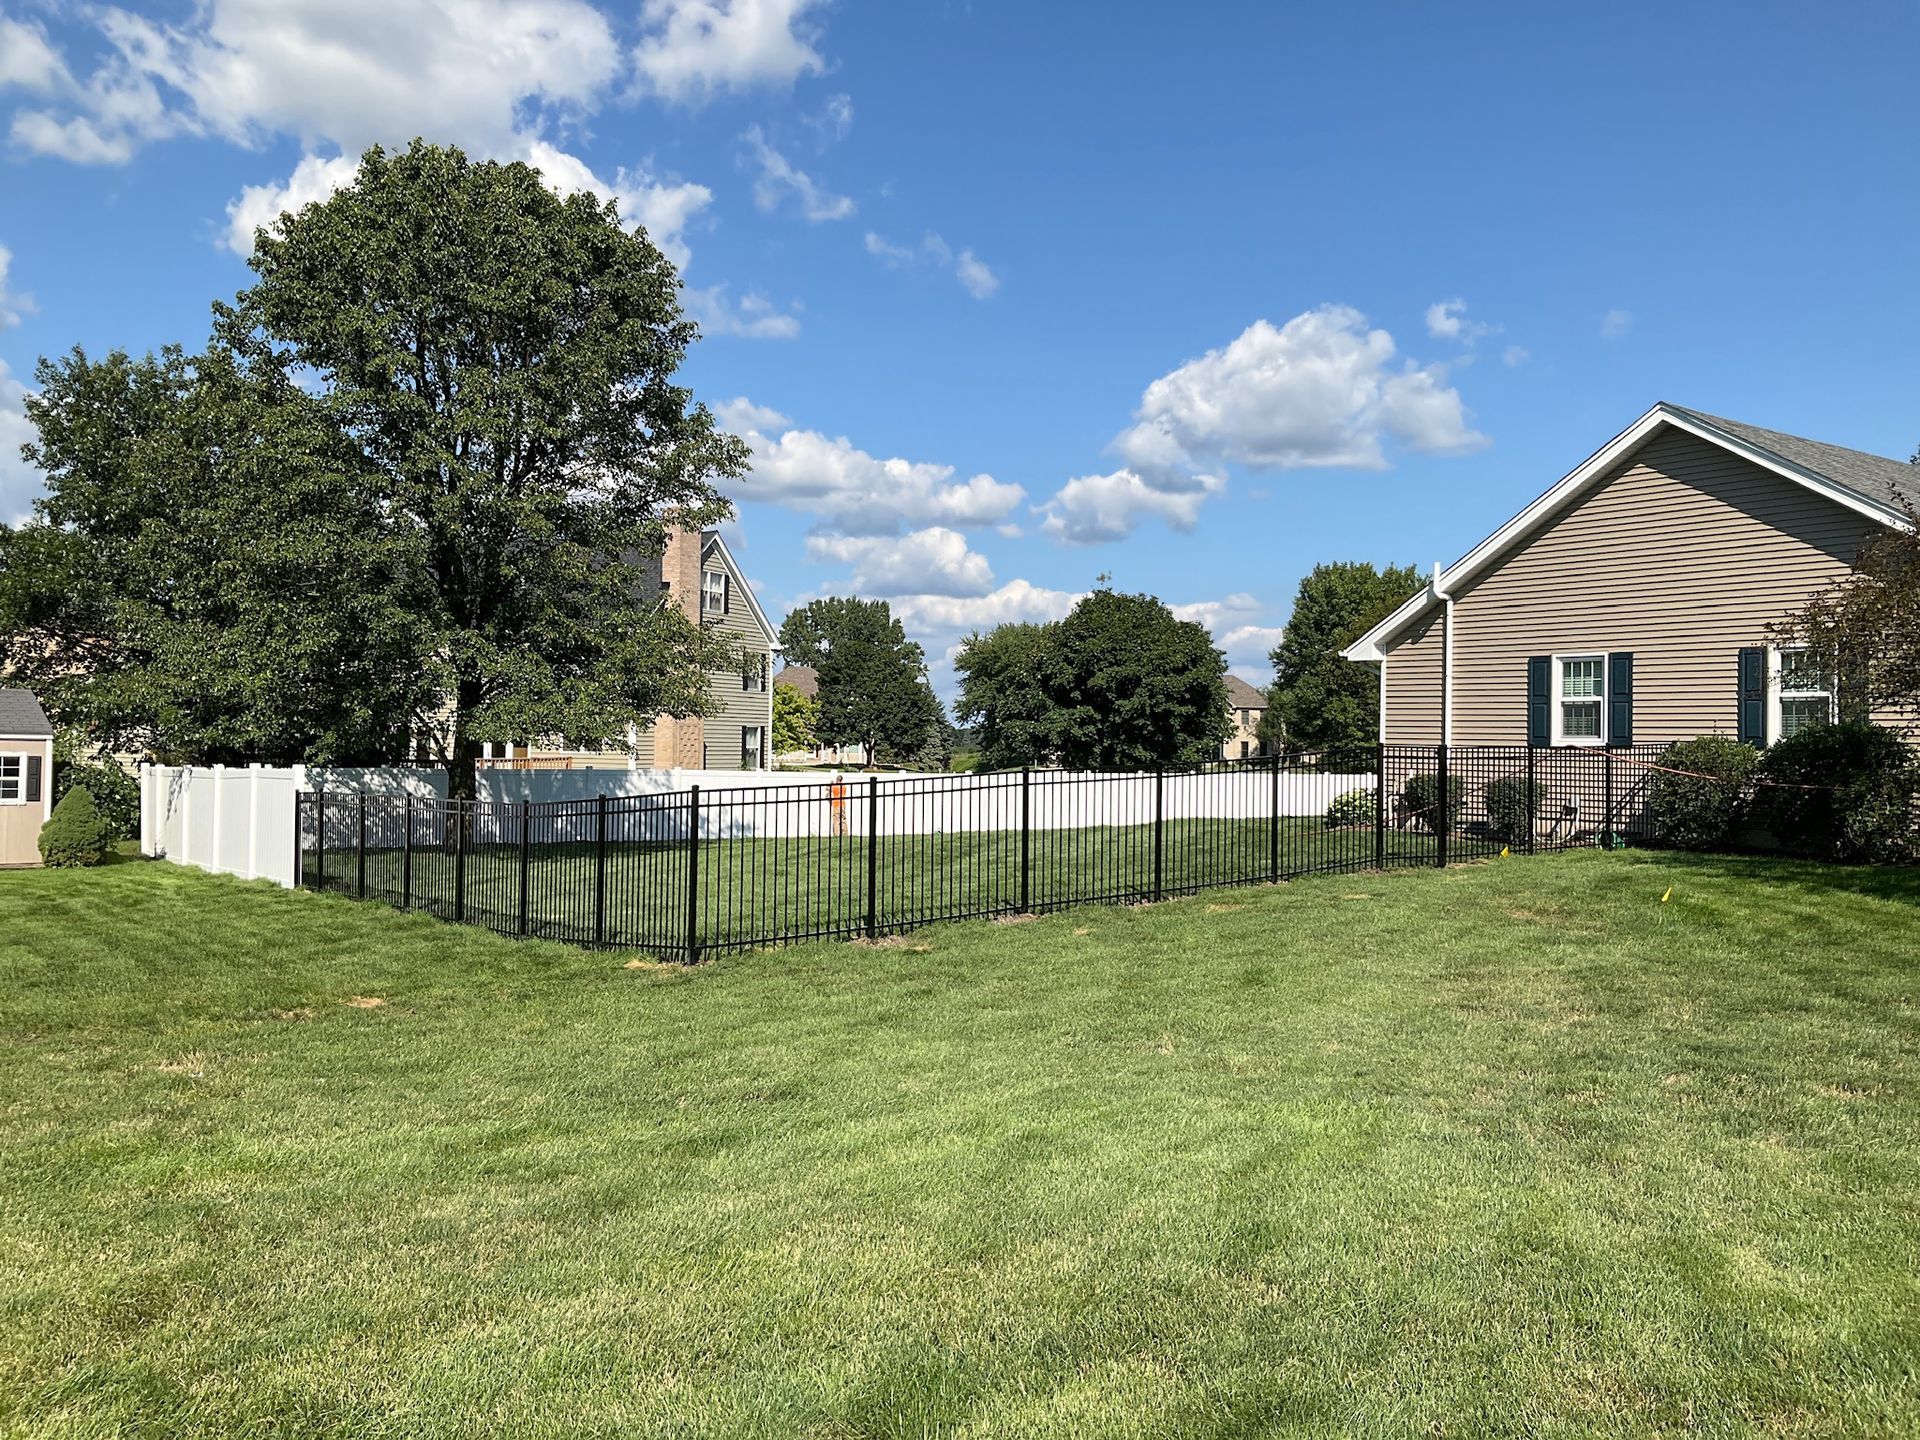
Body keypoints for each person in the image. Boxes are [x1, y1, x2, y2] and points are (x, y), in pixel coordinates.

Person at [829, 773, 848, 838]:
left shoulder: (835, 787)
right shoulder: (844, 787)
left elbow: (827, 789)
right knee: (843, 819)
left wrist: (831, 784)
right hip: (843, 804)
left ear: (837, 780)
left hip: (836, 804)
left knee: (836, 819)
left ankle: (836, 834)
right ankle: (845, 833)